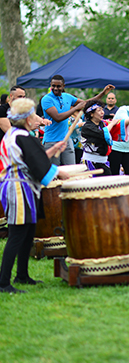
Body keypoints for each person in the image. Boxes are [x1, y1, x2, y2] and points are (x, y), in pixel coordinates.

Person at [0, 98, 69, 294]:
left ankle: (22, 275)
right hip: (19, 190)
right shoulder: (24, 137)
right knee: (16, 236)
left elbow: (30, 160)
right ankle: (3, 283)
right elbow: (39, 168)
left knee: (29, 232)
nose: (37, 118)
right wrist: (60, 173)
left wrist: (53, 151)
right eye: (35, 115)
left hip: (20, 188)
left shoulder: (14, 134)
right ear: (28, 119)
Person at [41, 75, 115, 166]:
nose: (55, 88)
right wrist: (75, 108)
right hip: (51, 141)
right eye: (53, 86)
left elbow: (86, 103)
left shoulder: (67, 96)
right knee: (54, 173)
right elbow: (57, 117)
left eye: (58, 86)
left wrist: (103, 93)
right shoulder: (46, 99)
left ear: (63, 86)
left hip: (66, 140)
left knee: (71, 170)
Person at [81, 100, 129, 176]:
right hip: (91, 161)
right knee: (94, 185)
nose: (102, 112)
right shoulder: (87, 127)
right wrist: (112, 124)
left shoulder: (103, 123)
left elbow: (117, 127)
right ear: (91, 114)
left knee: (107, 184)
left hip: (103, 161)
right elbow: (102, 134)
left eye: (102, 110)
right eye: (99, 110)